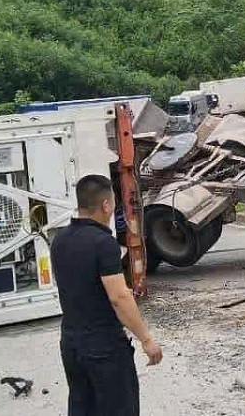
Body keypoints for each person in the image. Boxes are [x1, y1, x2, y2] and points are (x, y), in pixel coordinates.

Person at [51, 174, 163, 415]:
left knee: (83, 407)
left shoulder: (59, 240)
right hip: (103, 347)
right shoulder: (104, 243)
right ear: (106, 205)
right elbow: (118, 297)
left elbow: (81, 284)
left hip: (71, 344)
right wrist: (146, 339)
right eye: (113, 202)